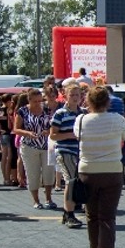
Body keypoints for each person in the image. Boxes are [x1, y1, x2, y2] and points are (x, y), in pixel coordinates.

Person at [76, 86, 125, 248]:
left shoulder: (81, 120)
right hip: (112, 170)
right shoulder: (118, 119)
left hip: (88, 170)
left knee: (92, 215)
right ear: (108, 102)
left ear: (88, 101)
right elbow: (123, 138)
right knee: (108, 216)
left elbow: (78, 137)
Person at [49, 83, 86, 228]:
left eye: (78, 95)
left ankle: (68, 211)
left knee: (79, 181)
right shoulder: (60, 113)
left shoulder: (83, 113)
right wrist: (70, 135)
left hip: (80, 152)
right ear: (65, 96)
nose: (75, 98)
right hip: (65, 151)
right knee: (71, 181)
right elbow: (53, 135)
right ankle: (70, 214)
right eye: (72, 95)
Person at [14, 88, 55, 210]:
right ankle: (36, 200)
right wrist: (27, 133)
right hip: (29, 146)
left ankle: (49, 199)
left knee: (48, 173)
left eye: (40, 101)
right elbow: (16, 129)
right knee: (33, 174)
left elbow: (54, 126)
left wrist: (48, 131)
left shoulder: (47, 109)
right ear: (29, 100)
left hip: (46, 145)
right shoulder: (22, 111)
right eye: (35, 101)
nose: (38, 103)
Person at [0, 92, 17, 185]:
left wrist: (0, 130)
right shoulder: (8, 110)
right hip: (8, 134)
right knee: (9, 157)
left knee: (4, 157)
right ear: (8, 101)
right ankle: (8, 178)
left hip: (2, 134)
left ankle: (5, 178)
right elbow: (9, 124)